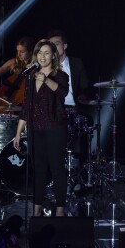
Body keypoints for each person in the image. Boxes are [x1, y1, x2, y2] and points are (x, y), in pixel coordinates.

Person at [13, 40, 69, 217]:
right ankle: (36, 210)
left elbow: (62, 92)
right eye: (40, 53)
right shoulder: (30, 77)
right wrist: (18, 132)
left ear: (53, 56)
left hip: (54, 128)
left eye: (46, 53)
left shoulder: (60, 75)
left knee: (57, 169)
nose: (42, 56)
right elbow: (26, 107)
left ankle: (60, 210)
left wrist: (45, 80)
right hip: (35, 129)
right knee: (38, 169)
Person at [47, 29, 93, 166]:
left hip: (73, 108)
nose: (54, 48)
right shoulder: (46, 66)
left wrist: (84, 95)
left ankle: (82, 169)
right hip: (53, 110)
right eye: (51, 45)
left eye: (57, 43)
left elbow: (86, 85)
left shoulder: (76, 63)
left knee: (87, 122)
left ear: (65, 46)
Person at [0, 36, 35, 106]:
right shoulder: (13, 62)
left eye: (22, 52)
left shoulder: (35, 66)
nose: (18, 54)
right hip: (8, 101)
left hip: (25, 103)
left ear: (31, 51)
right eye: (17, 51)